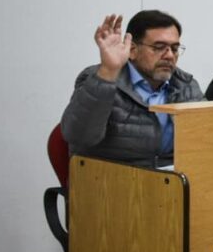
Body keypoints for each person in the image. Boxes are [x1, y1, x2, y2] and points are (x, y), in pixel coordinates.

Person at [60, 11, 204, 169]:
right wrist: (108, 72)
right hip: (112, 178)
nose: (169, 55)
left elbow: (209, 139)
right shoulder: (100, 77)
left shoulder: (186, 85)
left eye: (174, 48)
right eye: (159, 47)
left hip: (173, 179)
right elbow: (79, 136)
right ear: (132, 50)